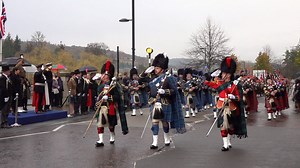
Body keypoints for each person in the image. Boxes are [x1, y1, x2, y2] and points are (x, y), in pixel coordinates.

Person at [141, 53, 185, 149]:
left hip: (164, 102)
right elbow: (141, 81)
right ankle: (155, 142)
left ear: (162, 68)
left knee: (165, 122)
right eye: (155, 68)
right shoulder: (152, 77)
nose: (155, 70)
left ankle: (166, 137)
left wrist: (164, 91)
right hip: (154, 102)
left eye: (157, 68)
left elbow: (174, 91)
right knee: (154, 122)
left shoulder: (168, 78)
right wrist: (144, 73)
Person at [204, 56, 247, 151]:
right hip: (221, 106)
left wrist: (233, 97)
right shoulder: (219, 83)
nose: (225, 75)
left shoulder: (235, 85)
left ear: (230, 74)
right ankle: (225, 144)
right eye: (224, 73)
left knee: (231, 127)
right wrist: (207, 78)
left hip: (231, 107)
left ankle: (229, 140)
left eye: (227, 73)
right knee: (223, 125)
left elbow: (239, 98)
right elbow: (209, 83)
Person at [95, 60, 128, 147]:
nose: (104, 76)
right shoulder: (99, 84)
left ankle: (112, 135)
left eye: (106, 75)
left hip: (111, 106)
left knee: (111, 124)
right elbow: (97, 95)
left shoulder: (114, 84)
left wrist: (109, 98)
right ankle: (100, 140)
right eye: (103, 74)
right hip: (101, 106)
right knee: (100, 124)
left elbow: (117, 96)